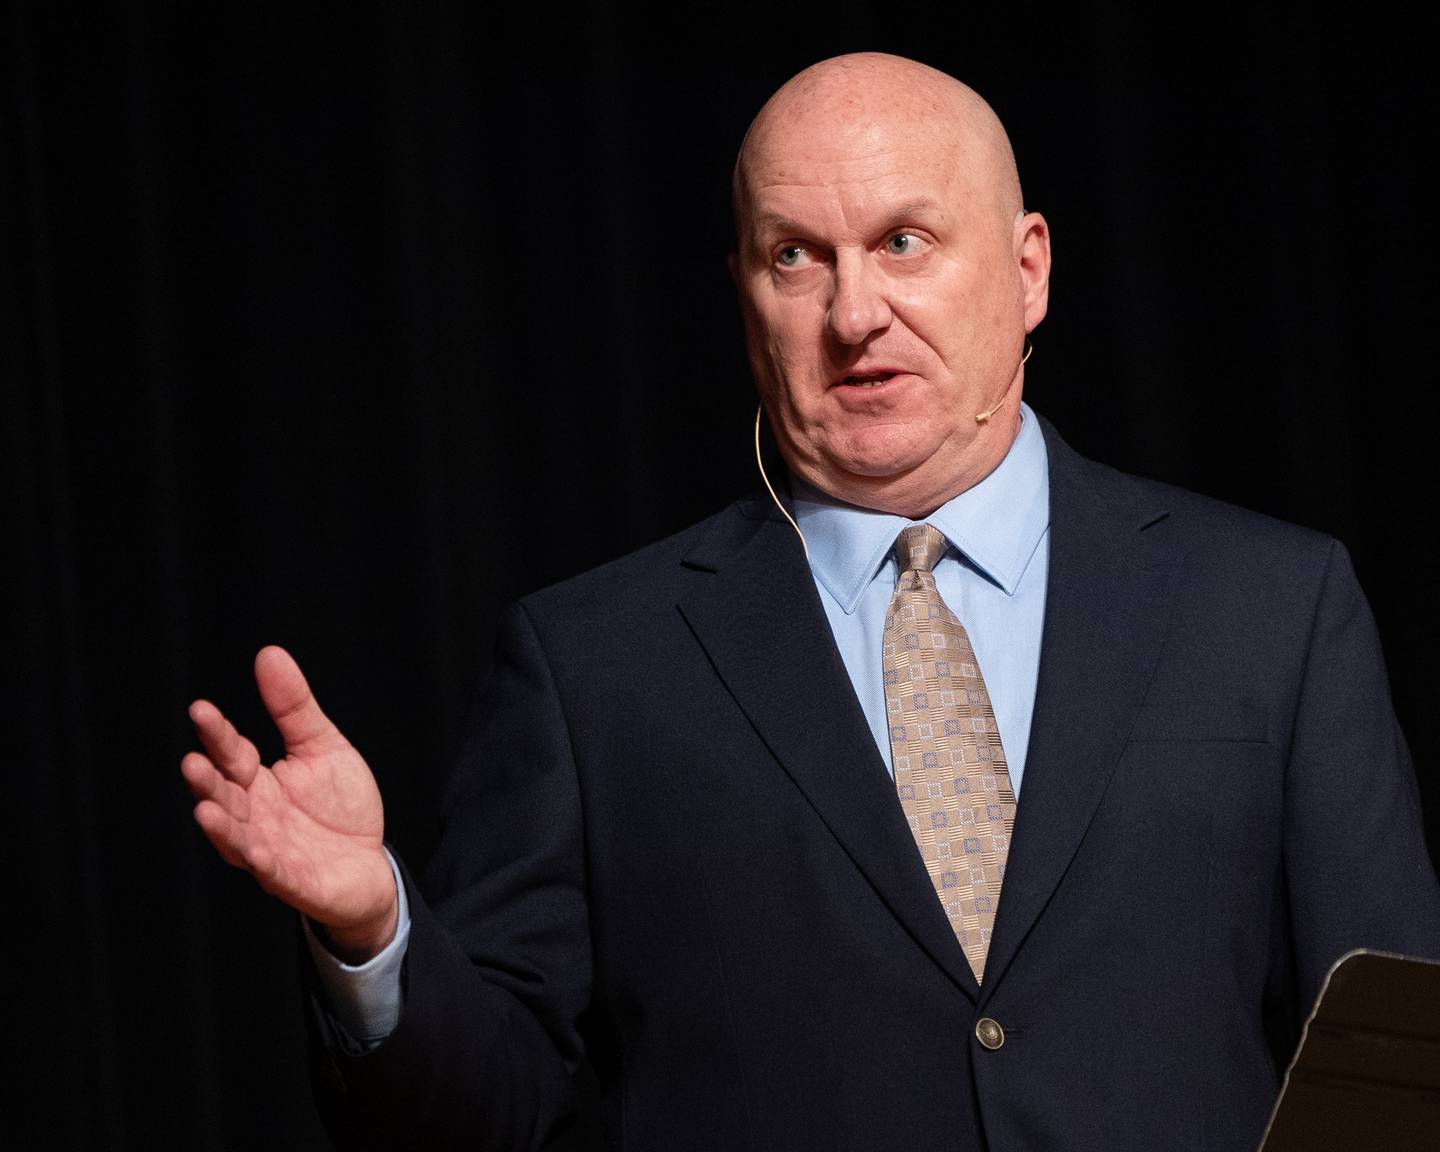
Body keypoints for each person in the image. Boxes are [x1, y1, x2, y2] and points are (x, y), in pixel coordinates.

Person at [180, 53, 1440, 1151]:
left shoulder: (1272, 607)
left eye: (903, 241)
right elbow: (497, 1115)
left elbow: (1395, 1069)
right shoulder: (594, 667)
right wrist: (376, 935)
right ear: (745, 297)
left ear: (1028, 268)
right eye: (798, 256)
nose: (853, 313)